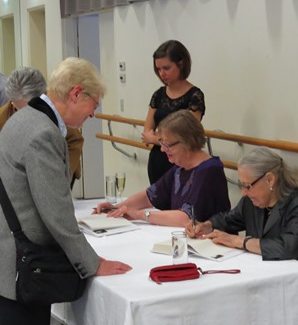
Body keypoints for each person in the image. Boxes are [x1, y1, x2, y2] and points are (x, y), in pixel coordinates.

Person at [0, 57, 132, 325]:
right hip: (23, 265)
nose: (93, 113)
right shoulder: (43, 132)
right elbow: (56, 211)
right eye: (93, 104)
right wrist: (92, 263)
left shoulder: (22, 117)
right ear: (75, 94)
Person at [186, 146, 298, 291]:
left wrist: (241, 241)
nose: (243, 193)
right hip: (267, 277)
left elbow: (288, 247)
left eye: (247, 186)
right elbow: (228, 219)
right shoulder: (252, 201)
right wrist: (206, 225)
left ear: (269, 179)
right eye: (241, 185)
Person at [96, 109, 230, 227]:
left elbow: (187, 218)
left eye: (168, 144)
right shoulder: (180, 168)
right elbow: (150, 196)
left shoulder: (209, 170)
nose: (162, 149)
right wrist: (117, 208)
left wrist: (140, 215)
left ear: (187, 142)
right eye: (162, 143)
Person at [0, 67, 84, 188]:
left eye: (33, 107)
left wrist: (63, 175)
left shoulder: (53, 111)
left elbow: (75, 139)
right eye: (22, 109)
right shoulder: (3, 118)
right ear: (12, 101)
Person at [142, 40, 206, 184]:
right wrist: (161, 140)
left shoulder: (195, 96)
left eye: (166, 68)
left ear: (180, 64)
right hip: (157, 161)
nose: (162, 73)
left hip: (181, 162)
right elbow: (146, 133)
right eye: (158, 69)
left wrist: (155, 139)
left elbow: (186, 136)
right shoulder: (158, 94)